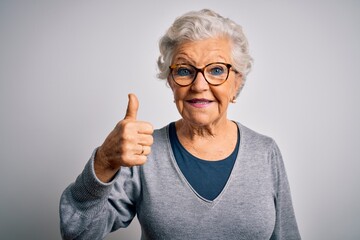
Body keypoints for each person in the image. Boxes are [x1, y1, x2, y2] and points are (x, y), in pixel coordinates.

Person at [60, 9, 301, 240]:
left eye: (216, 70)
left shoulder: (265, 152)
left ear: (236, 82)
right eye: (185, 71)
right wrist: (104, 161)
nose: (199, 85)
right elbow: (77, 232)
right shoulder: (144, 153)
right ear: (171, 82)